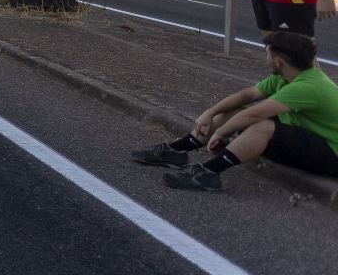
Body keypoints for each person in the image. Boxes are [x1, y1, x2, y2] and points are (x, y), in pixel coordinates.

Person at [135, 31, 338, 193]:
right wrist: (210, 112)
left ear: (278, 61)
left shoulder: (307, 86)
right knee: (233, 113)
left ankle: (208, 173)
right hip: (313, 138)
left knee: (263, 126)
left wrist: (220, 133)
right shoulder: (286, 76)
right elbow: (247, 95)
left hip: (332, 154)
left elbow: (254, 114)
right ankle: (177, 151)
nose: (265, 58)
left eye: (267, 54)